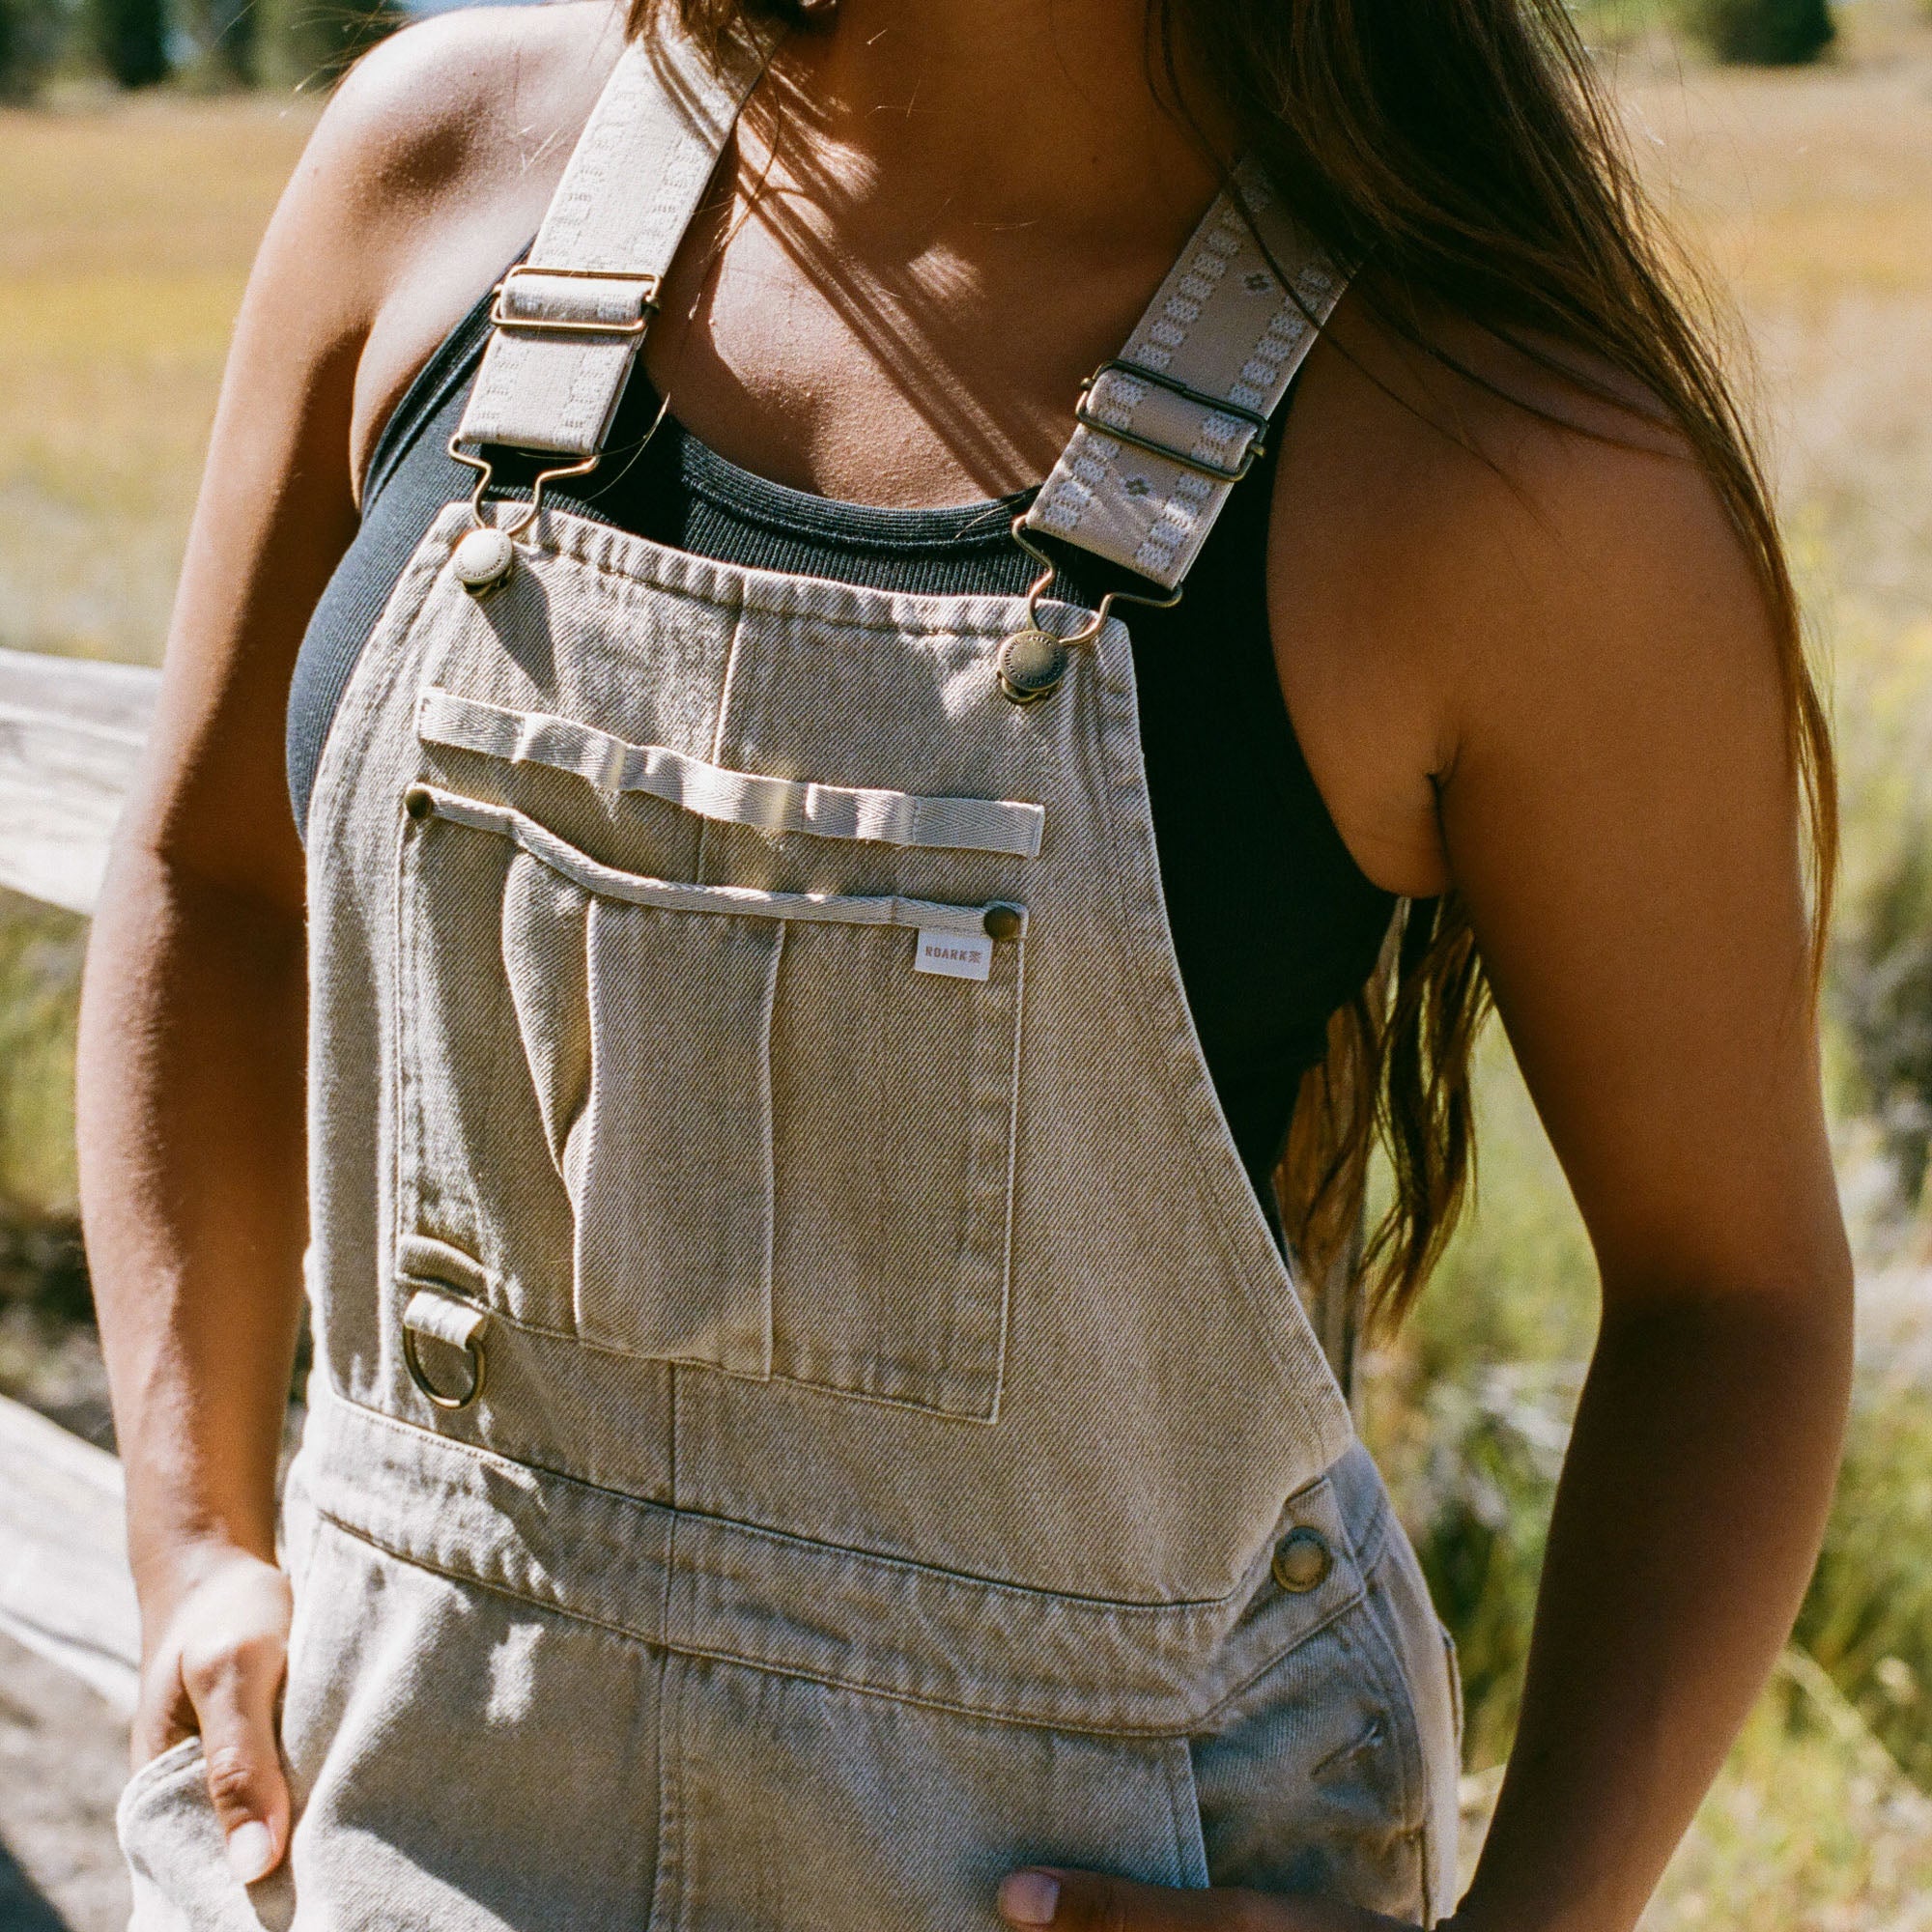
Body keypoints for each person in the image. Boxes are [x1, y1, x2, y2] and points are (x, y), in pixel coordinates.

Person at [76, 0, 1853, 1927]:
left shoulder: (1500, 456)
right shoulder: (440, 169)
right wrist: (195, 1538)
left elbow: (1731, 1289)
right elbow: (208, 883)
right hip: (381, 1828)